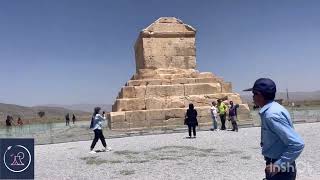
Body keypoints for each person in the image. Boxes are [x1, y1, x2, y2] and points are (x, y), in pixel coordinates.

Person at [244, 78, 304, 180]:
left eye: (254, 94)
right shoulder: (275, 108)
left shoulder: (271, 115)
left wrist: (278, 165)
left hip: (280, 168)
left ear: (260, 95)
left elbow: (297, 144)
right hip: (280, 165)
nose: (252, 97)